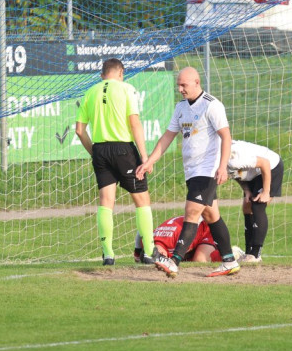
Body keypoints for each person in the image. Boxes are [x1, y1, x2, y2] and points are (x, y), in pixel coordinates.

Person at [135, 66, 238, 278]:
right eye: (178, 85)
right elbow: (167, 137)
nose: (180, 89)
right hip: (191, 171)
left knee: (192, 212)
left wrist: (222, 166)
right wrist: (150, 161)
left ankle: (174, 261)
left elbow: (226, 137)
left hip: (207, 170)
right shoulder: (181, 107)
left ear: (197, 82)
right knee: (211, 215)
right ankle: (229, 260)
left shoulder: (212, 105)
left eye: (184, 85)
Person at [75, 58, 156, 266]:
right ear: (121, 73)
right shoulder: (126, 88)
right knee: (142, 200)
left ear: (102, 75)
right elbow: (135, 123)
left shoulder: (90, 92)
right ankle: (148, 252)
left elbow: (79, 130)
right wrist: (145, 158)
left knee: (106, 202)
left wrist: (93, 151)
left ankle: (108, 254)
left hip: (100, 150)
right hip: (123, 149)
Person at [227, 139, 283, 262]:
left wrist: (266, 192)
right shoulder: (216, 160)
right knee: (247, 206)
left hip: (270, 166)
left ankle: (256, 254)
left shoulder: (234, 157)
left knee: (258, 205)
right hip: (253, 173)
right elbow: (234, 174)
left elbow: (265, 163)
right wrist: (246, 190)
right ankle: (248, 253)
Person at [134, 215, 243, 264]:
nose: (162, 260)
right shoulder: (148, 242)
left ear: (158, 252)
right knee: (184, 258)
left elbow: (190, 229)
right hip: (190, 235)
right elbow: (141, 231)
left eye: (160, 257)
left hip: (204, 229)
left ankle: (234, 253)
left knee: (200, 260)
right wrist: (137, 254)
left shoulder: (172, 242)